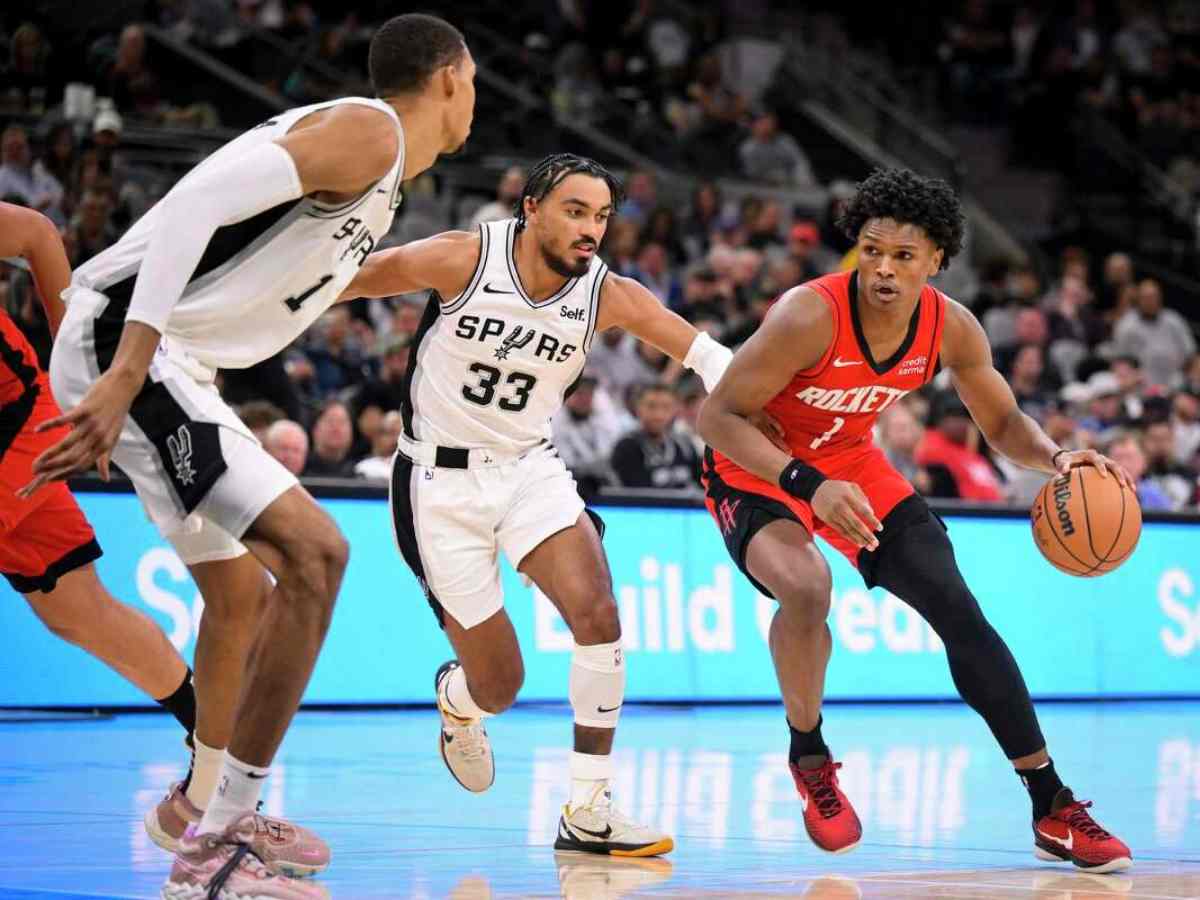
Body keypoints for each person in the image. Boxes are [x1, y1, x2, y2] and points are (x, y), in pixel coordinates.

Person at [25, 14, 477, 898]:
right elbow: (198, 198)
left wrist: (434, 269)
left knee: (243, 596)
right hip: (135, 342)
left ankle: (198, 807)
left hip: (172, 360)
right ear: (450, 77)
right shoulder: (368, 130)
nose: (477, 101)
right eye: (475, 81)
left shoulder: (379, 179)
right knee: (318, 553)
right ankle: (225, 839)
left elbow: (325, 276)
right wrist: (124, 369)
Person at [697, 168, 1134, 872]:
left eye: (903, 257)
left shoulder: (949, 327)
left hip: (849, 461)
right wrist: (807, 484)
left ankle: (1050, 804)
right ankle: (810, 756)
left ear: (936, 261)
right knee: (807, 588)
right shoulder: (808, 315)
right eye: (872, 250)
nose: (884, 269)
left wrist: (1057, 458)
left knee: (957, 607)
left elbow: (999, 421)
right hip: (757, 464)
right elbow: (716, 416)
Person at [339, 152, 743, 859]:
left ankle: (588, 809)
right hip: (438, 484)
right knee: (501, 685)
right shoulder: (464, 257)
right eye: (576, 211)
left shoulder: (606, 293)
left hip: (529, 469)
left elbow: (705, 355)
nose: (591, 229)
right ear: (531, 208)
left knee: (600, 614)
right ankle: (460, 700)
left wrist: (773, 400)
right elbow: (340, 280)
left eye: (602, 217)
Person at [0, 200, 198, 760]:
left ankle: (220, 758)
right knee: (77, 612)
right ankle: (211, 735)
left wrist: (78, 368)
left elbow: (37, 232)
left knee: (82, 611)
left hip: (17, 417)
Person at [610, 383, 701, 490]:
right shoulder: (626, 447)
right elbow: (633, 495)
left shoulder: (684, 445)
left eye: (666, 407)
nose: (659, 415)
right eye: (651, 406)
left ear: (675, 410)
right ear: (637, 408)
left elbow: (703, 483)